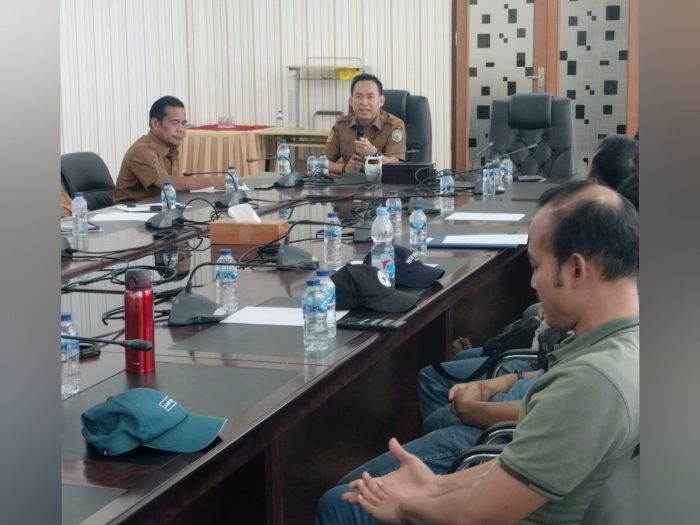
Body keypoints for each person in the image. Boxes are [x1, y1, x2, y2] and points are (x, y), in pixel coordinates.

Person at [316, 180, 639, 525]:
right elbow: (521, 469)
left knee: (340, 504)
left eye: (536, 267)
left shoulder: (591, 383)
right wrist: (437, 485)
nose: (533, 283)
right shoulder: (627, 345)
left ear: (576, 269)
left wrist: (402, 508)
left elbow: (473, 515)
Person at [113, 96, 226, 204]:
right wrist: (215, 182)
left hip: (158, 209)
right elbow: (168, 183)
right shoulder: (141, 150)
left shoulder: (171, 148)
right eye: (175, 122)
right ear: (155, 123)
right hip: (128, 213)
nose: (181, 129)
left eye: (184, 123)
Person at [325, 74, 406, 177]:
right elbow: (323, 162)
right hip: (349, 184)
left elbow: (396, 164)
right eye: (358, 96)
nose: (364, 102)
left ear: (381, 101)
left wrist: (374, 154)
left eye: (370, 96)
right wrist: (344, 168)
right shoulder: (341, 125)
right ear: (351, 101)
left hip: (382, 183)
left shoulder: (394, 125)